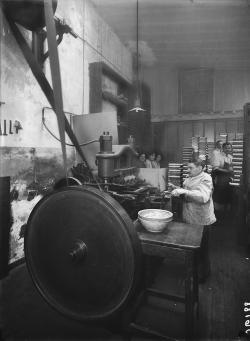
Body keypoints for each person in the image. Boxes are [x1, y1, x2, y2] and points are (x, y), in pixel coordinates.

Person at [170, 158, 216, 282]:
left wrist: (183, 190)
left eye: (191, 167)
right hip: (190, 218)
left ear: (200, 168)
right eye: (187, 167)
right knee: (192, 248)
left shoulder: (206, 178)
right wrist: (177, 189)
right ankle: (193, 273)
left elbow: (203, 197)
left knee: (202, 250)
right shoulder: (190, 177)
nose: (188, 170)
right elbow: (189, 193)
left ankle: (202, 276)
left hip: (201, 220)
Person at [210, 142, 233, 214]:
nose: (228, 149)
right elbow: (215, 169)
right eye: (226, 148)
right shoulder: (218, 156)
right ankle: (217, 215)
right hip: (219, 180)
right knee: (218, 198)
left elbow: (231, 168)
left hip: (227, 180)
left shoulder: (230, 157)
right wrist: (227, 171)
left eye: (229, 148)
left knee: (226, 197)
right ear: (223, 148)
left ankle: (225, 216)